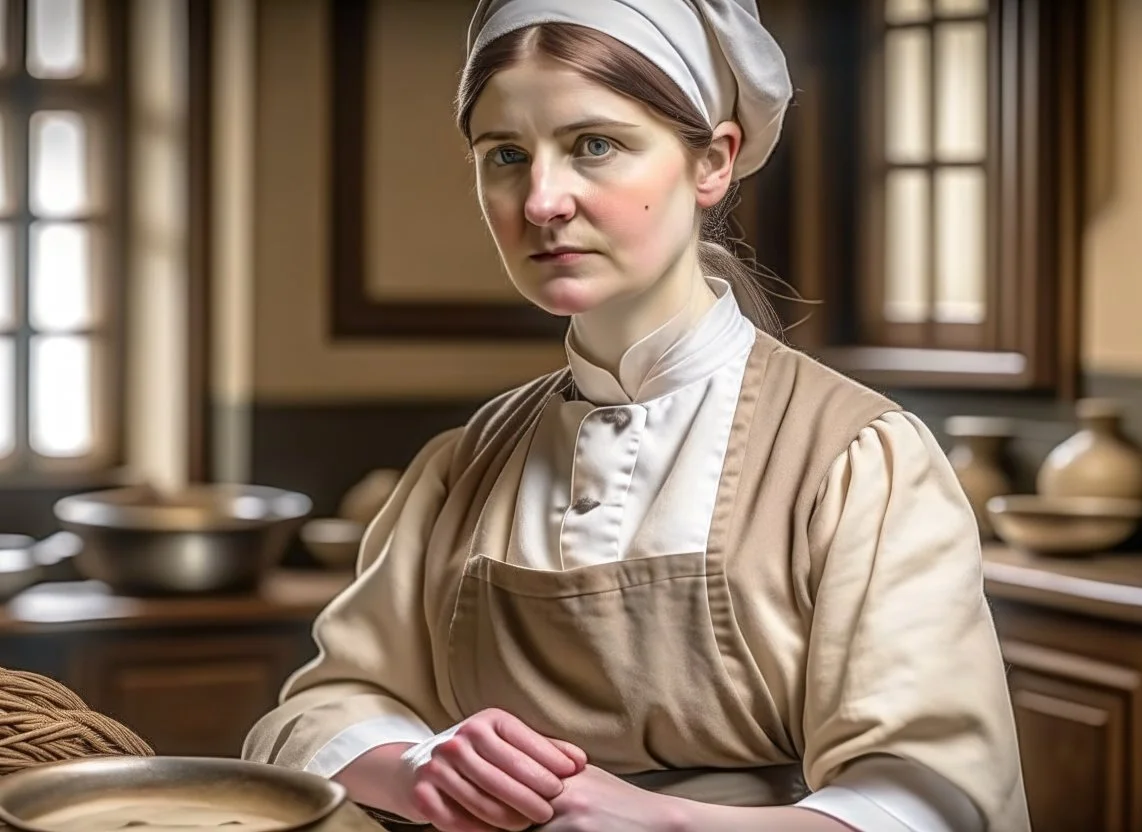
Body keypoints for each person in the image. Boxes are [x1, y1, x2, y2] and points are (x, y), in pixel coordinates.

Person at [243, 1, 1031, 830]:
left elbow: (932, 800)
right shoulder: (461, 467)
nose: (542, 200)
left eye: (595, 145)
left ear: (713, 162)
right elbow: (323, 705)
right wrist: (415, 767)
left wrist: (667, 822)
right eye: (506, 154)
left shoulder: (857, 460)